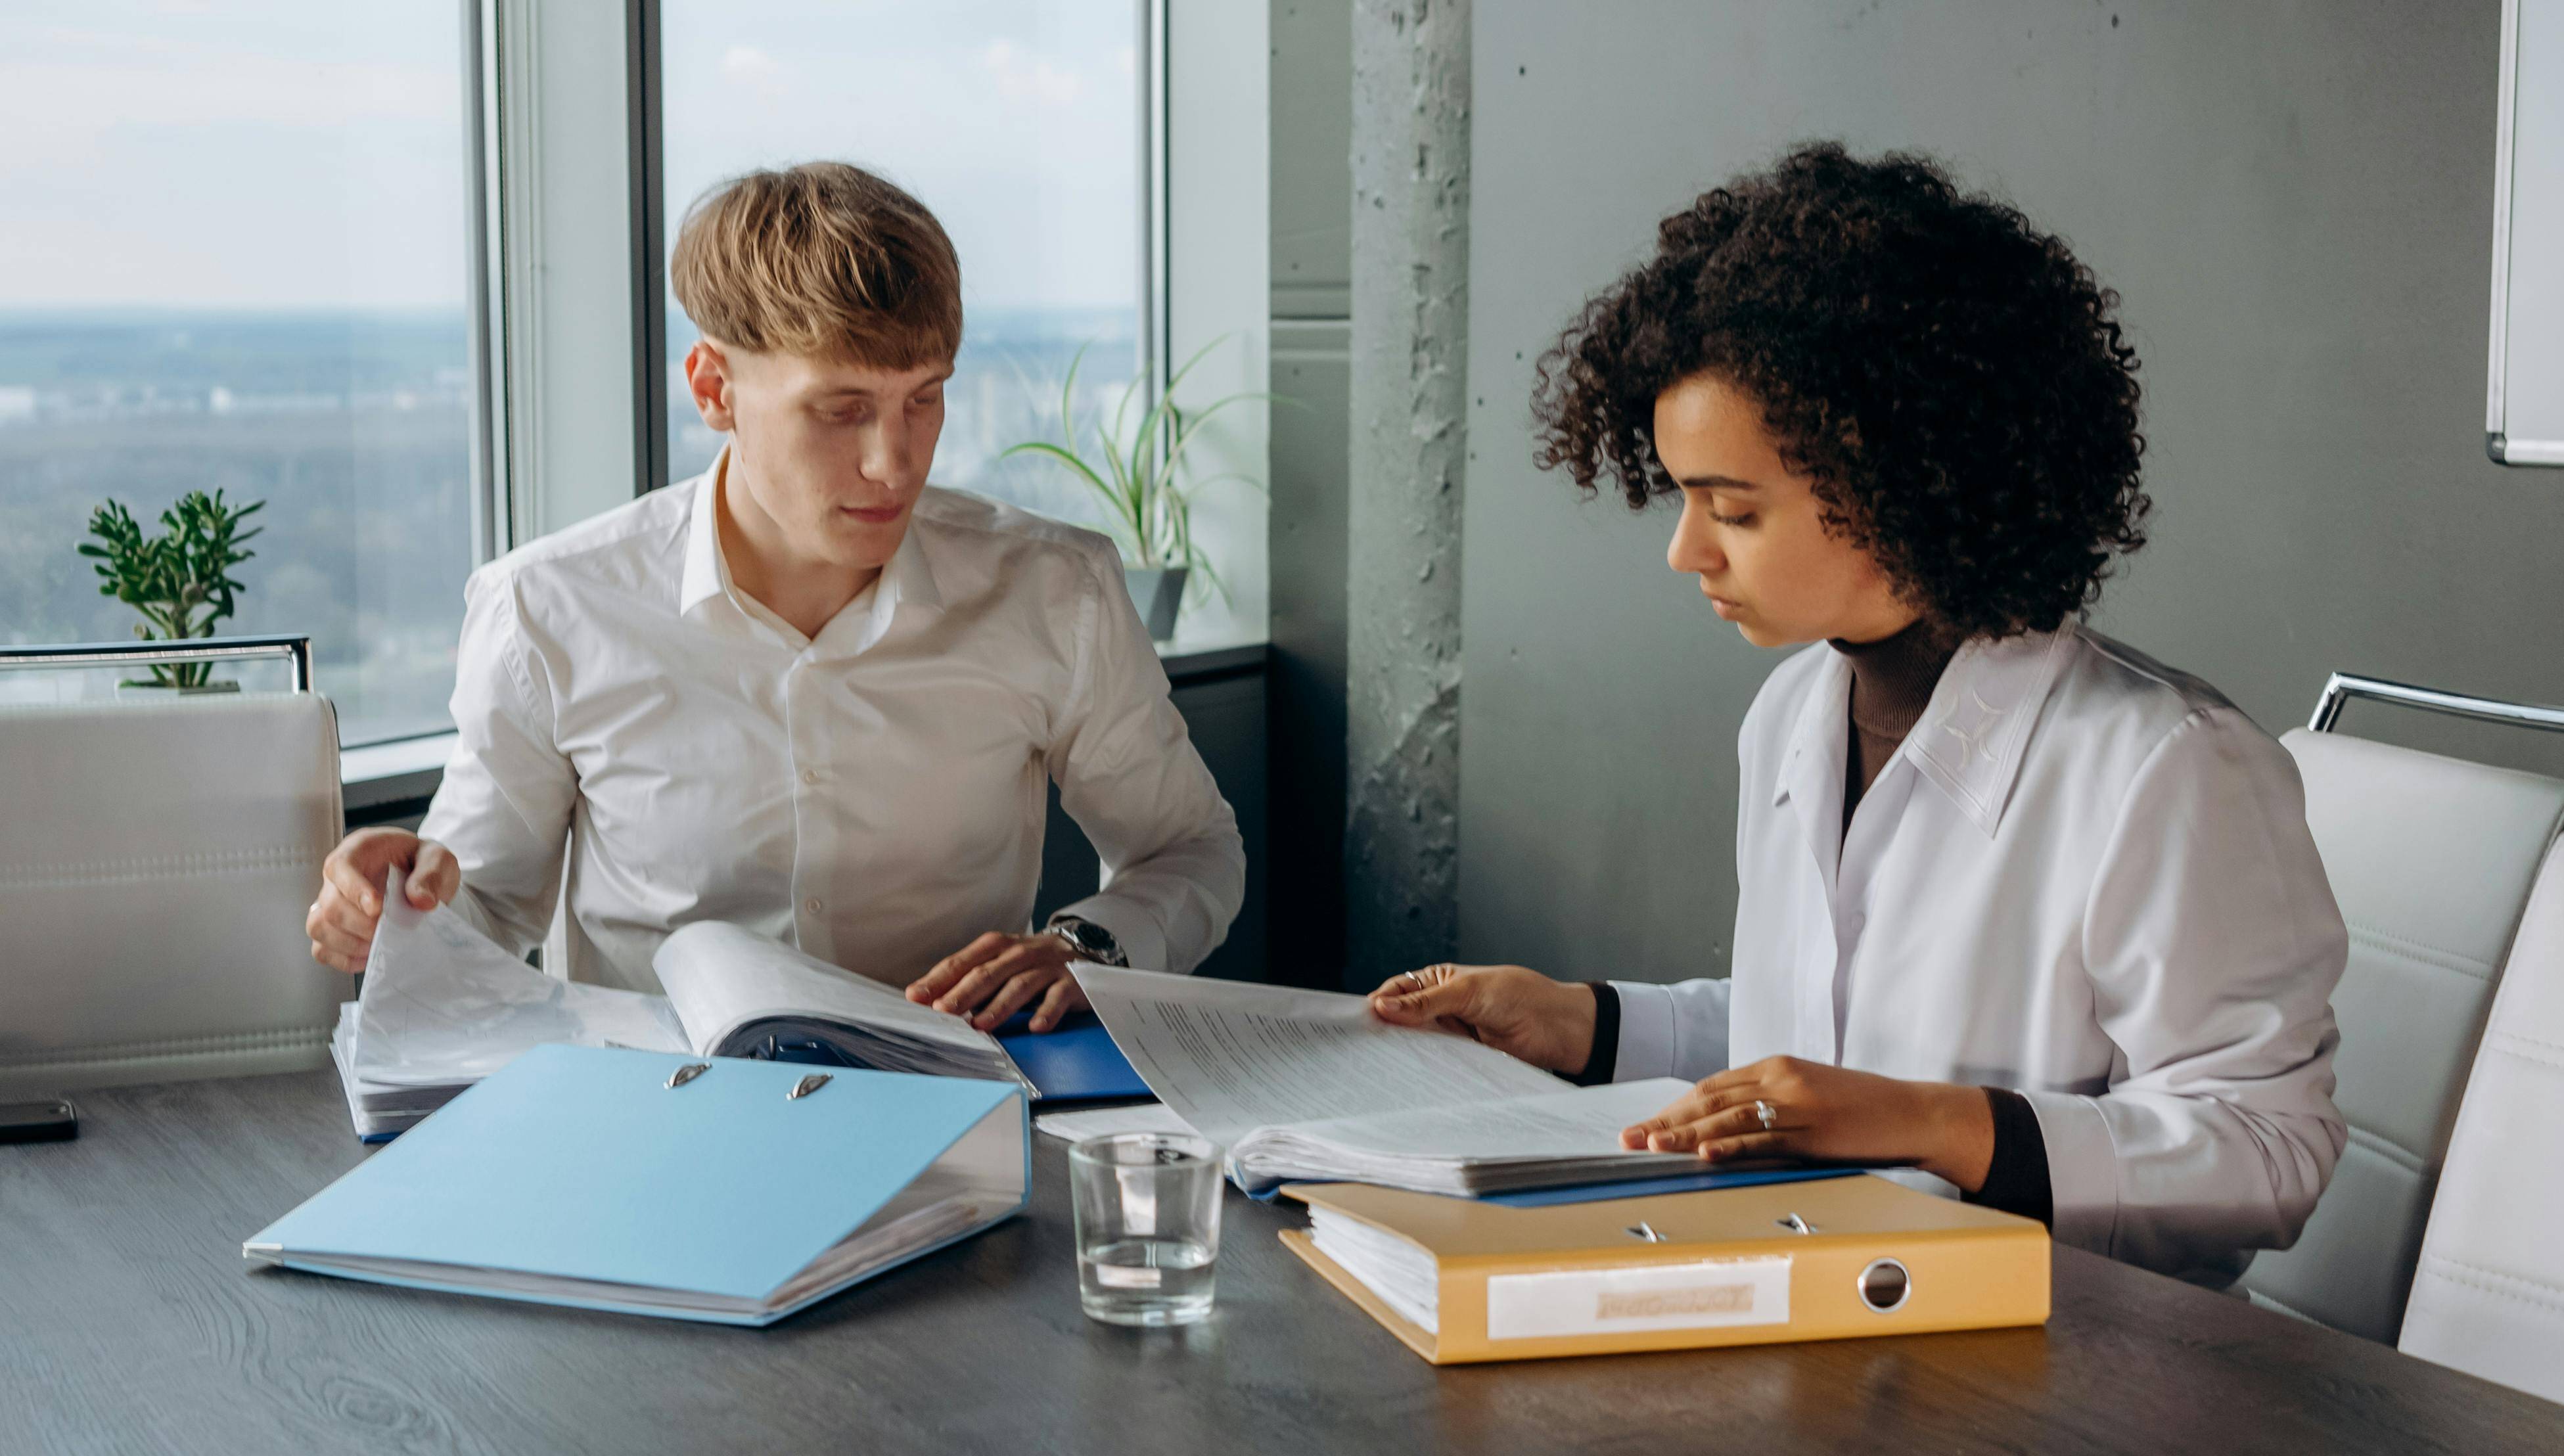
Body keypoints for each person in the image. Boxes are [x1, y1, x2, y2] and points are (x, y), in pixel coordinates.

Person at [1369, 143, 2346, 1287]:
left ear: (1899, 483)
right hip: (1828, 1310)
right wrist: (1588, 1023)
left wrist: (1932, 1124)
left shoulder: (2167, 767)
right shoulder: (1792, 711)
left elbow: (2271, 1153)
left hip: (2068, 1361)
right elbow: (1821, 1048)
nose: (1686, 552)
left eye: (1731, 509)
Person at [304, 162, 1243, 1034]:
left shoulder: (1054, 592)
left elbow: (1190, 850)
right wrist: (395, 906)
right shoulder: (548, 609)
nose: (895, 462)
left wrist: (1088, 948)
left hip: (966, 1114)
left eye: (924, 398)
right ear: (715, 387)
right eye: (841, 409)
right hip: (652, 1126)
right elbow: (483, 913)